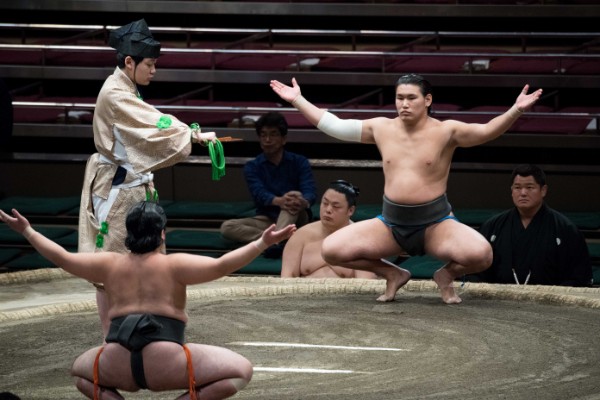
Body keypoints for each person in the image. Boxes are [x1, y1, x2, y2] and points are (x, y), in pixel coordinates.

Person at [270, 74, 543, 303]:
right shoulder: (381, 128)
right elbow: (334, 126)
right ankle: (393, 273)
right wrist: (297, 100)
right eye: (400, 98)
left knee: (482, 255)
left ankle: (445, 276)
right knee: (332, 250)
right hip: (391, 224)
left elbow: (487, 131)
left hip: (436, 223)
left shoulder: (447, 131)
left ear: (427, 100)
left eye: (411, 98)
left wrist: (516, 109)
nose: (404, 104)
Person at [1, 202, 296, 400]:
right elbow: (222, 266)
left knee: (80, 375)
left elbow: (62, 258)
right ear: (162, 233)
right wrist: (262, 242)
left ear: (129, 234)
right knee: (241, 371)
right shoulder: (174, 265)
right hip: (167, 362)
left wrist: (27, 230)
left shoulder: (109, 264)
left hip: (115, 360)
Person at [77, 19, 217, 336]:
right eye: (150, 64)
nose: (154, 71)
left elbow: (150, 121)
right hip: (116, 189)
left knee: (146, 257)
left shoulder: (127, 89)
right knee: (110, 264)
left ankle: (147, 325)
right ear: (130, 61)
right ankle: (109, 336)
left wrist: (187, 133)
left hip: (134, 187)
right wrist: (190, 135)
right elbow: (154, 122)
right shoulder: (115, 93)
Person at [473, 164, 592, 286]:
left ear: (543, 190)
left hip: (551, 301)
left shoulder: (566, 229)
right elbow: (476, 272)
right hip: (499, 300)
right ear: (511, 191)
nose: (523, 193)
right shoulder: (492, 227)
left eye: (530, 187)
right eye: (517, 187)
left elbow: (580, 277)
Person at [220, 111, 317, 257]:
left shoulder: (299, 162)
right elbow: (259, 193)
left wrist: (303, 202)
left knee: (293, 197)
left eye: (273, 134)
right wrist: (279, 201)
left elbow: (310, 190)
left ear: (284, 139)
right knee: (227, 227)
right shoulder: (252, 167)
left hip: (297, 216)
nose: (267, 140)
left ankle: (272, 242)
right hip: (267, 218)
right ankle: (280, 241)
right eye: (263, 135)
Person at [282, 179, 377, 279]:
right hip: (304, 293)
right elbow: (287, 278)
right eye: (325, 203)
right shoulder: (301, 236)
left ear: (350, 210)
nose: (328, 210)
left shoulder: (362, 240)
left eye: (335, 206)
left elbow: (366, 282)